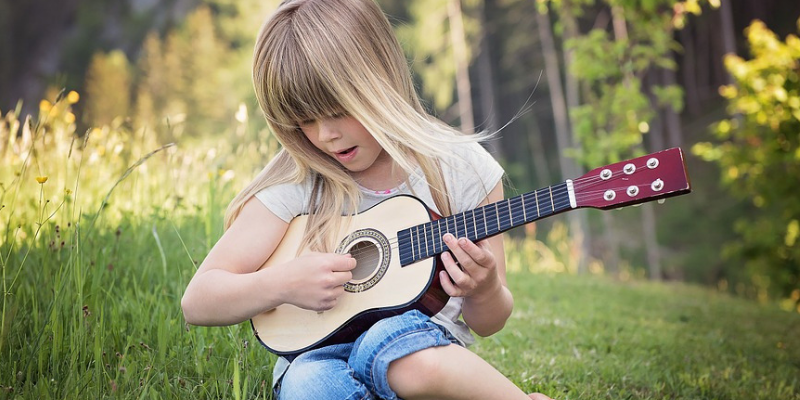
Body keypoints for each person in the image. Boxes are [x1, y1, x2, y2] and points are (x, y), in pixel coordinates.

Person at [181, 0, 555, 399]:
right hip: (316, 356)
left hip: (419, 346)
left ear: (380, 79)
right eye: (304, 119)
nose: (325, 135)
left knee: (403, 353)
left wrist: (485, 290)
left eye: (337, 109)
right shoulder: (299, 179)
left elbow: (488, 322)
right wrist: (281, 284)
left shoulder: (460, 168)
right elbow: (199, 300)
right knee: (307, 387)